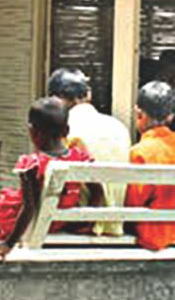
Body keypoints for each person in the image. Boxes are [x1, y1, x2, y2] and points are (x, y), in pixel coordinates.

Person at [0, 98, 91, 261]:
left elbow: (30, 207)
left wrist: (8, 243)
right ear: (66, 131)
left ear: (32, 131)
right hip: (60, 220)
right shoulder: (80, 157)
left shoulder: (32, 164)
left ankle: (1, 239)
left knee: (5, 200)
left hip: (39, 221)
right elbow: (97, 189)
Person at [47, 68, 131, 236]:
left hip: (81, 224)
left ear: (57, 98)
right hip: (115, 223)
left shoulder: (64, 129)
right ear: (88, 95)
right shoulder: (118, 126)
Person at [124, 81, 175, 251]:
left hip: (150, 232)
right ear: (171, 116)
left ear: (139, 114)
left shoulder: (139, 152)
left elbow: (133, 203)